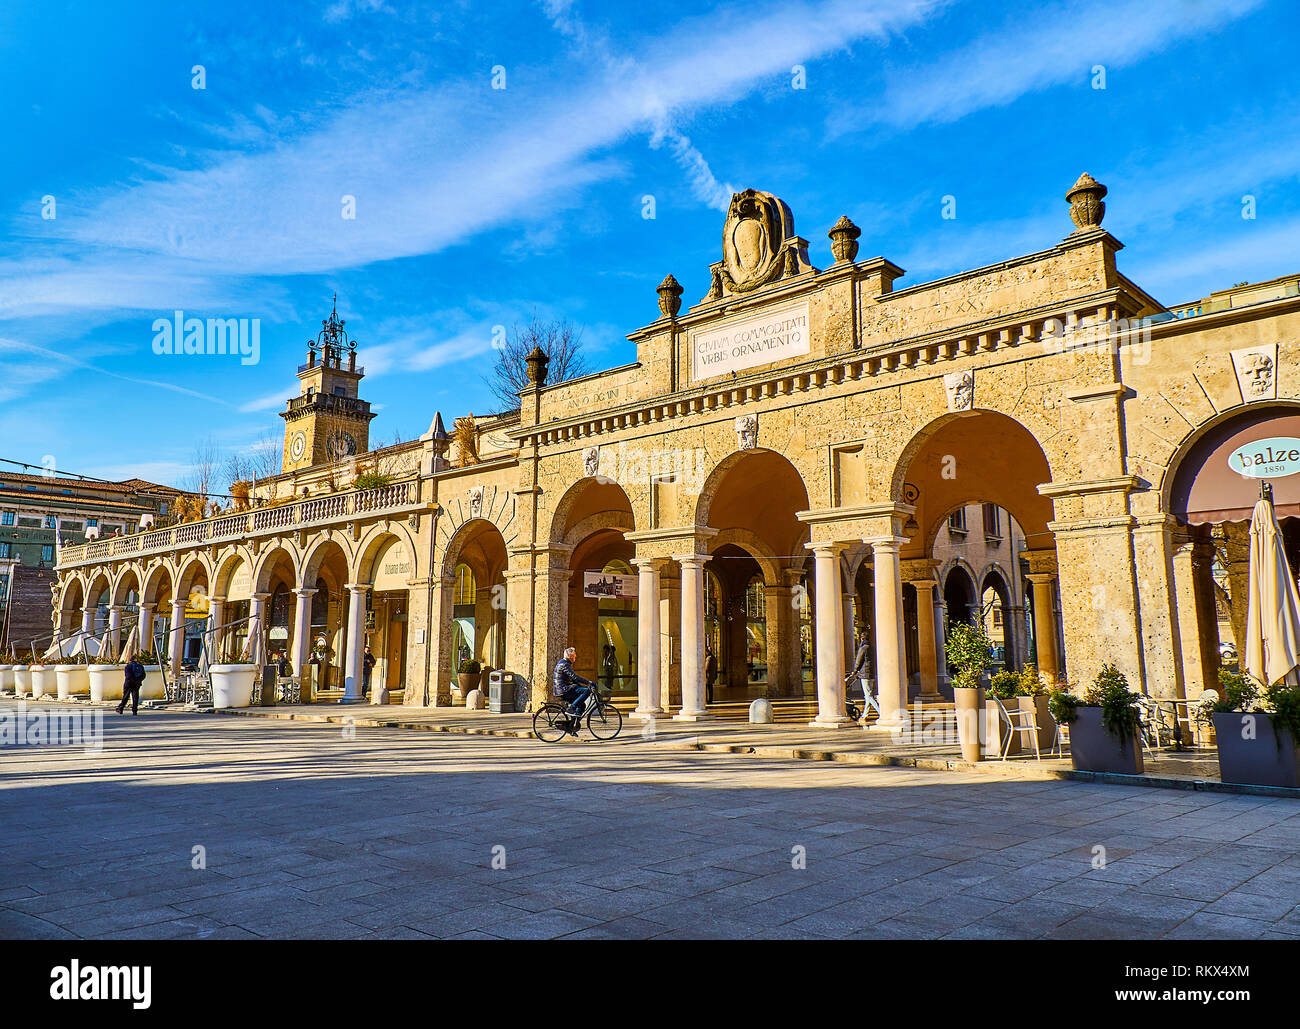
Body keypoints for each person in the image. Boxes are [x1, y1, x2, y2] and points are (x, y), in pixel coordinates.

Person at [552, 646, 596, 730]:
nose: (576, 657)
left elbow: (573, 679)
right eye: (575, 655)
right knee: (587, 691)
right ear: (570, 656)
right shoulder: (564, 664)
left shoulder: (565, 664)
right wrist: (589, 683)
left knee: (582, 705)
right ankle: (571, 708)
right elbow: (574, 677)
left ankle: (572, 725)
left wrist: (582, 685)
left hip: (564, 689)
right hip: (563, 690)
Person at [849, 632, 873, 723]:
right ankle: (865, 715)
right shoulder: (872, 647)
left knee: (868, 696)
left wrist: (855, 671)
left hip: (864, 674)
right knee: (868, 696)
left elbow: (858, 660)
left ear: (861, 639)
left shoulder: (863, 648)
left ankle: (880, 711)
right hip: (871, 674)